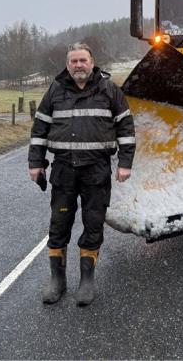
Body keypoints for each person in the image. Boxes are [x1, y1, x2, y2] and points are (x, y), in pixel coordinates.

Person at [28, 43, 135, 306]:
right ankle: (57, 280)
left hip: (96, 170)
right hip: (63, 169)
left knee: (93, 223)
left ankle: (87, 280)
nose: (78, 65)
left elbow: (125, 127)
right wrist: (36, 162)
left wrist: (125, 163)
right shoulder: (55, 90)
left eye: (82, 60)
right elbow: (39, 129)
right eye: (73, 61)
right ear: (67, 65)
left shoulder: (109, 90)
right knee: (59, 224)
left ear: (92, 62)